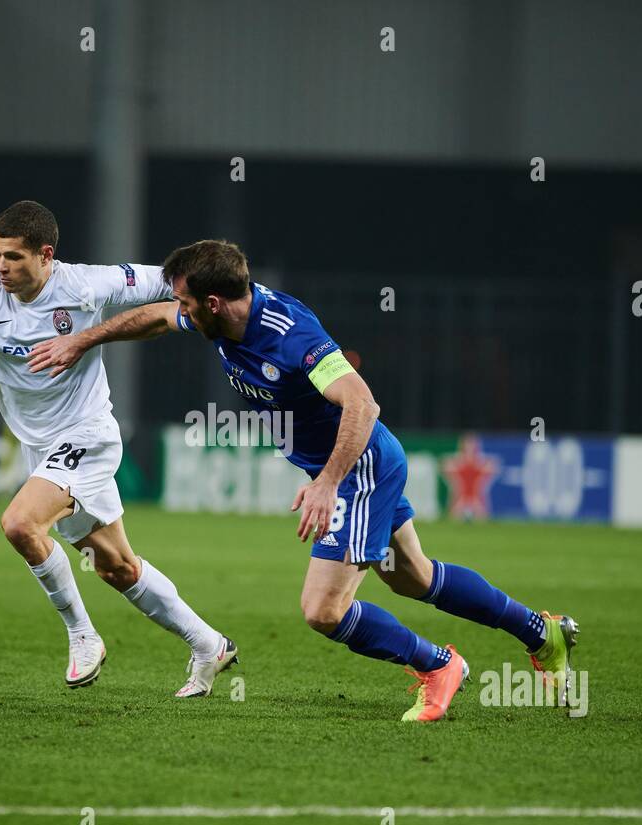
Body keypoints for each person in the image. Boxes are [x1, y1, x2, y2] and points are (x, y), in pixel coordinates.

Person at [29, 239, 579, 722]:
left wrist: (329, 482)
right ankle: (539, 631)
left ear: (213, 303)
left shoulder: (289, 337)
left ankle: (439, 666)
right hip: (356, 464)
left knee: (324, 609)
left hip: (359, 466)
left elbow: (362, 402)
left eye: (188, 303)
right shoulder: (221, 316)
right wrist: (85, 341)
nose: (181, 311)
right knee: (414, 577)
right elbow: (151, 318)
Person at [0, 201, 235, 696]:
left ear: (46, 256)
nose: (1, 266)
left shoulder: (86, 285)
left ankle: (83, 636)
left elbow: (168, 280)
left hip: (86, 433)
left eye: (15, 257)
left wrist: (235, 294)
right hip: (40, 448)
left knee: (20, 523)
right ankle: (209, 644)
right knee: (118, 567)